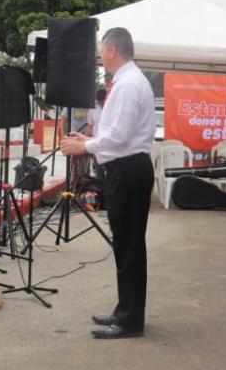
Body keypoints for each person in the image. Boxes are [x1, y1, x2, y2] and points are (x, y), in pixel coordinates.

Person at [61, 27, 157, 339]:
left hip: (128, 170)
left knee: (129, 246)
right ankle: (125, 311)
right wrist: (90, 139)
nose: (100, 56)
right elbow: (114, 132)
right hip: (125, 167)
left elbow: (121, 135)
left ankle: (130, 320)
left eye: (103, 50)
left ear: (112, 51)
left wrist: (85, 146)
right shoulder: (126, 81)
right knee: (125, 245)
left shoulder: (129, 84)